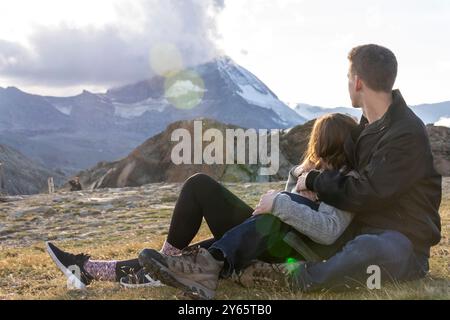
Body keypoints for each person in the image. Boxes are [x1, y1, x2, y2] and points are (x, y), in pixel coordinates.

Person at [137, 44, 442, 299]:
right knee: (267, 219)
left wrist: (312, 181)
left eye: (348, 76)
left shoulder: (404, 133)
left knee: (366, 247)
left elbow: (368, 193)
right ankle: (189, 263)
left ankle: (293, 278)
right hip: (353, 234)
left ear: (358, 81)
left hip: (403, 241)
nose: (347, 82)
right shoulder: (366, 129)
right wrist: (303, 177)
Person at [45, 113, 359, 293]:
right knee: (199, 185)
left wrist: (280, 203)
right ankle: (107, 267)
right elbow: (286, 205)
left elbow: (328, 231)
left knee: (223, 244)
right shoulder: (304, 172)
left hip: (292, 249)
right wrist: (289, 194)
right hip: (265, 235)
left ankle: (157, 268)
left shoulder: (348, 182)